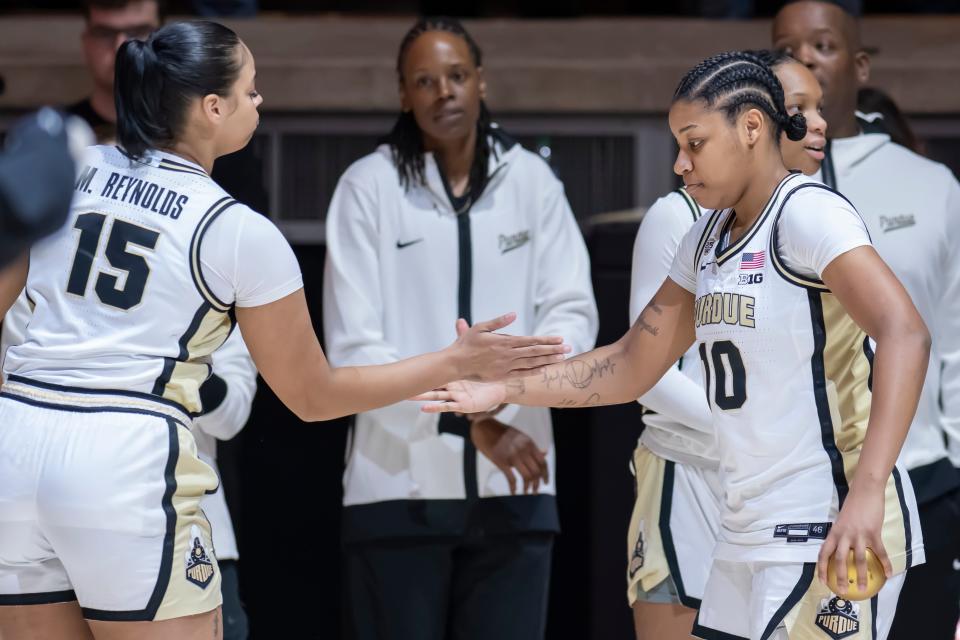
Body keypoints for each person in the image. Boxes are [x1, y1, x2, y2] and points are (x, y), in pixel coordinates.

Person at [0, 21, 569, 640]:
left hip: (16, 442)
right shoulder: (237, 230)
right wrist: (454, 361)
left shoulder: (76, 163)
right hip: (122, 455)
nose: (260, 102)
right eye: (250, 90)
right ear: (213, 108)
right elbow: (312, 395)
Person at [418, 50, 929, 640]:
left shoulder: (808, 215)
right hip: (746, 527)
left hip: (830, 516)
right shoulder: (703, 239)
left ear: (751, 128)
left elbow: (905, 332)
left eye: (694, 143)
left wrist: (866, 495)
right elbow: (630, 363)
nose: (680, 164)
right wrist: (501, 390)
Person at [322, 16, 598, 640]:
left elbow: (573, 314)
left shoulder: (531, 180)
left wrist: (509, 397)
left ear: (481, 82)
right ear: (402, 94)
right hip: (395, 493)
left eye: (455, 75)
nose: (442, 91)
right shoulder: (367, 188)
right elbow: (355, 350)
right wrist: (467, 422)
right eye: (424, 80)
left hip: (518, 485)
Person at [625, 48, 827, 640]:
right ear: (753, 122)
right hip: (691, 472)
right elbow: (645, 367)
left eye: (818, 109)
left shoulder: (815, 218)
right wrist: (745, 434)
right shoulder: (678, 217)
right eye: (797, 108)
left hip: (785, 488)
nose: (814, 123)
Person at [773, 3, 960, 637]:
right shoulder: (750, 188)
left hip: (924, 475)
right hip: (795, 483)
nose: (804, 58)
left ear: (857, 64)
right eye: (786, 47)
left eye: (821, 44)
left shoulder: (930, 184)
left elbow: (952, 335)